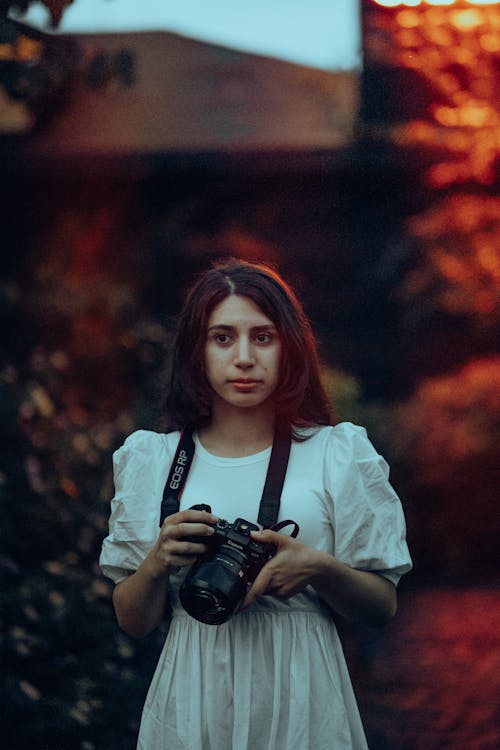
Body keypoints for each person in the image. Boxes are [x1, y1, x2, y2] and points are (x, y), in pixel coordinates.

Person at [99, 257, 412, 750]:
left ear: (290, 347)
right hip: (193, 699)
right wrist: (157, 562)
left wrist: (318, 568)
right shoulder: (154, 460)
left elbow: (382, 607)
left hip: (304, 699)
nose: (244, 357)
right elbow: (132, 621)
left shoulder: (337, 453)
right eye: (222, 338)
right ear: (196, 351)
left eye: (262, 337)